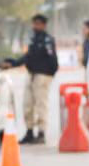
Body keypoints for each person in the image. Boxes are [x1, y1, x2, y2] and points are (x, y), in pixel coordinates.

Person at [3, 14, 58, 144]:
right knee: (27, 104)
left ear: (44, 25)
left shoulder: (47, 40)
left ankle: (41, 132)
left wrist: (49, 74)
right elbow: (27, 57)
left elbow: (53, 60)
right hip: (31, 74)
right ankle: (29, 131)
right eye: (34, 24)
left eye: (38, 24)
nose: (35, 26)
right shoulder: (34, 40)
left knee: (41, 104)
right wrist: (14, 63)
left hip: (42, 75)